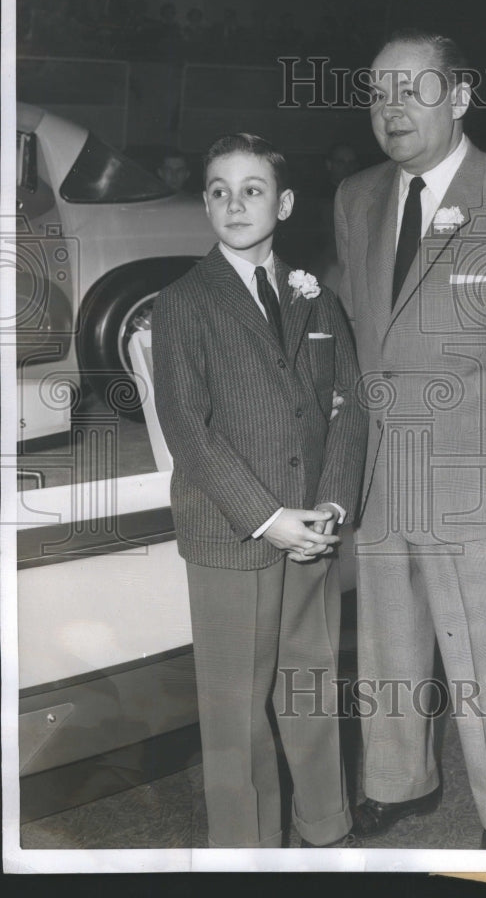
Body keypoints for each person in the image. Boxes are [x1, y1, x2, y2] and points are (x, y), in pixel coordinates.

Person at [335, 30, 486, 849]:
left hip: (482, 488)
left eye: (412, 89)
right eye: (378, 93)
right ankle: (397, 782)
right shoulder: (355, 198)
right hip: (381, 481)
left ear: (461, 98)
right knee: (387, 650)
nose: (391, 109)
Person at [151, 133, 367, 848]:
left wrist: (332, 504)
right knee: (235, 711)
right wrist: (265, 516)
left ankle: (326, 828)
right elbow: (188, 427)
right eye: (217, 189)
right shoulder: (185, 303)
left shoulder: (315, 296)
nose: (233, 203)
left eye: (250, 189)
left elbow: (349, 405)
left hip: (310, 529)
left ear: (284, 203)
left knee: (310, 687)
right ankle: (244, 857)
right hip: (233, 532)